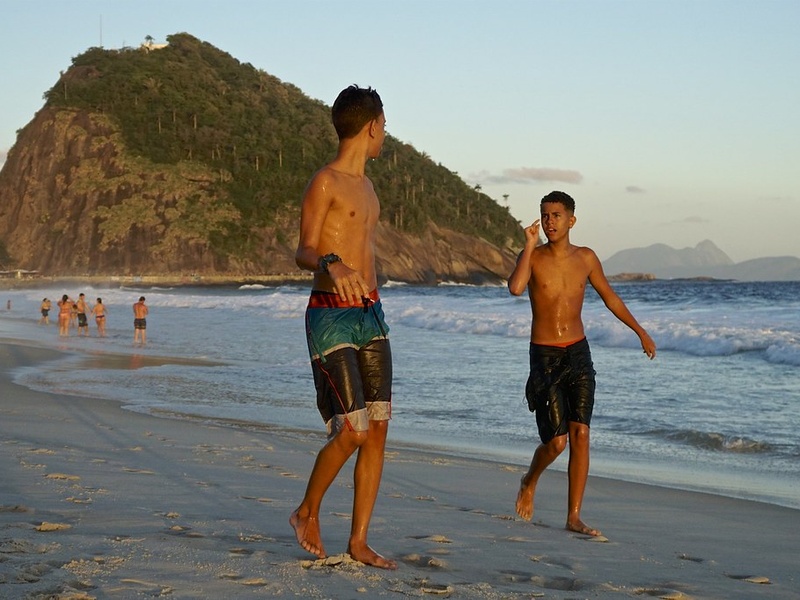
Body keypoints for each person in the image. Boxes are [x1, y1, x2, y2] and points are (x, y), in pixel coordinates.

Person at [508, 191, 656, 537]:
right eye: (545, 215)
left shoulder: (586, 258)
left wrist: (640, 332)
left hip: (578, 353)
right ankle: (530, 479)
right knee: (556, 443)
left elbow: (610, 297)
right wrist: (528, 245)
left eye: (556, 216)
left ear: (571, 220)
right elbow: (515, 288)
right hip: (545, 356)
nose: (549, 222)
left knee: (581, 434)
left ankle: (574, 516)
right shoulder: (533, 256)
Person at [289, 85, 395, 570]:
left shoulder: (369, 189)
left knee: (377, 429)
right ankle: (306, 511)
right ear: (372, 126)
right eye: (384, 126)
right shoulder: (325, 181)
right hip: (330, 314)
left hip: (371, 314)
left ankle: (359, 540)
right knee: (352, 430)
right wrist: (331, 263)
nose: (384, 134)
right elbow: (303, 250)